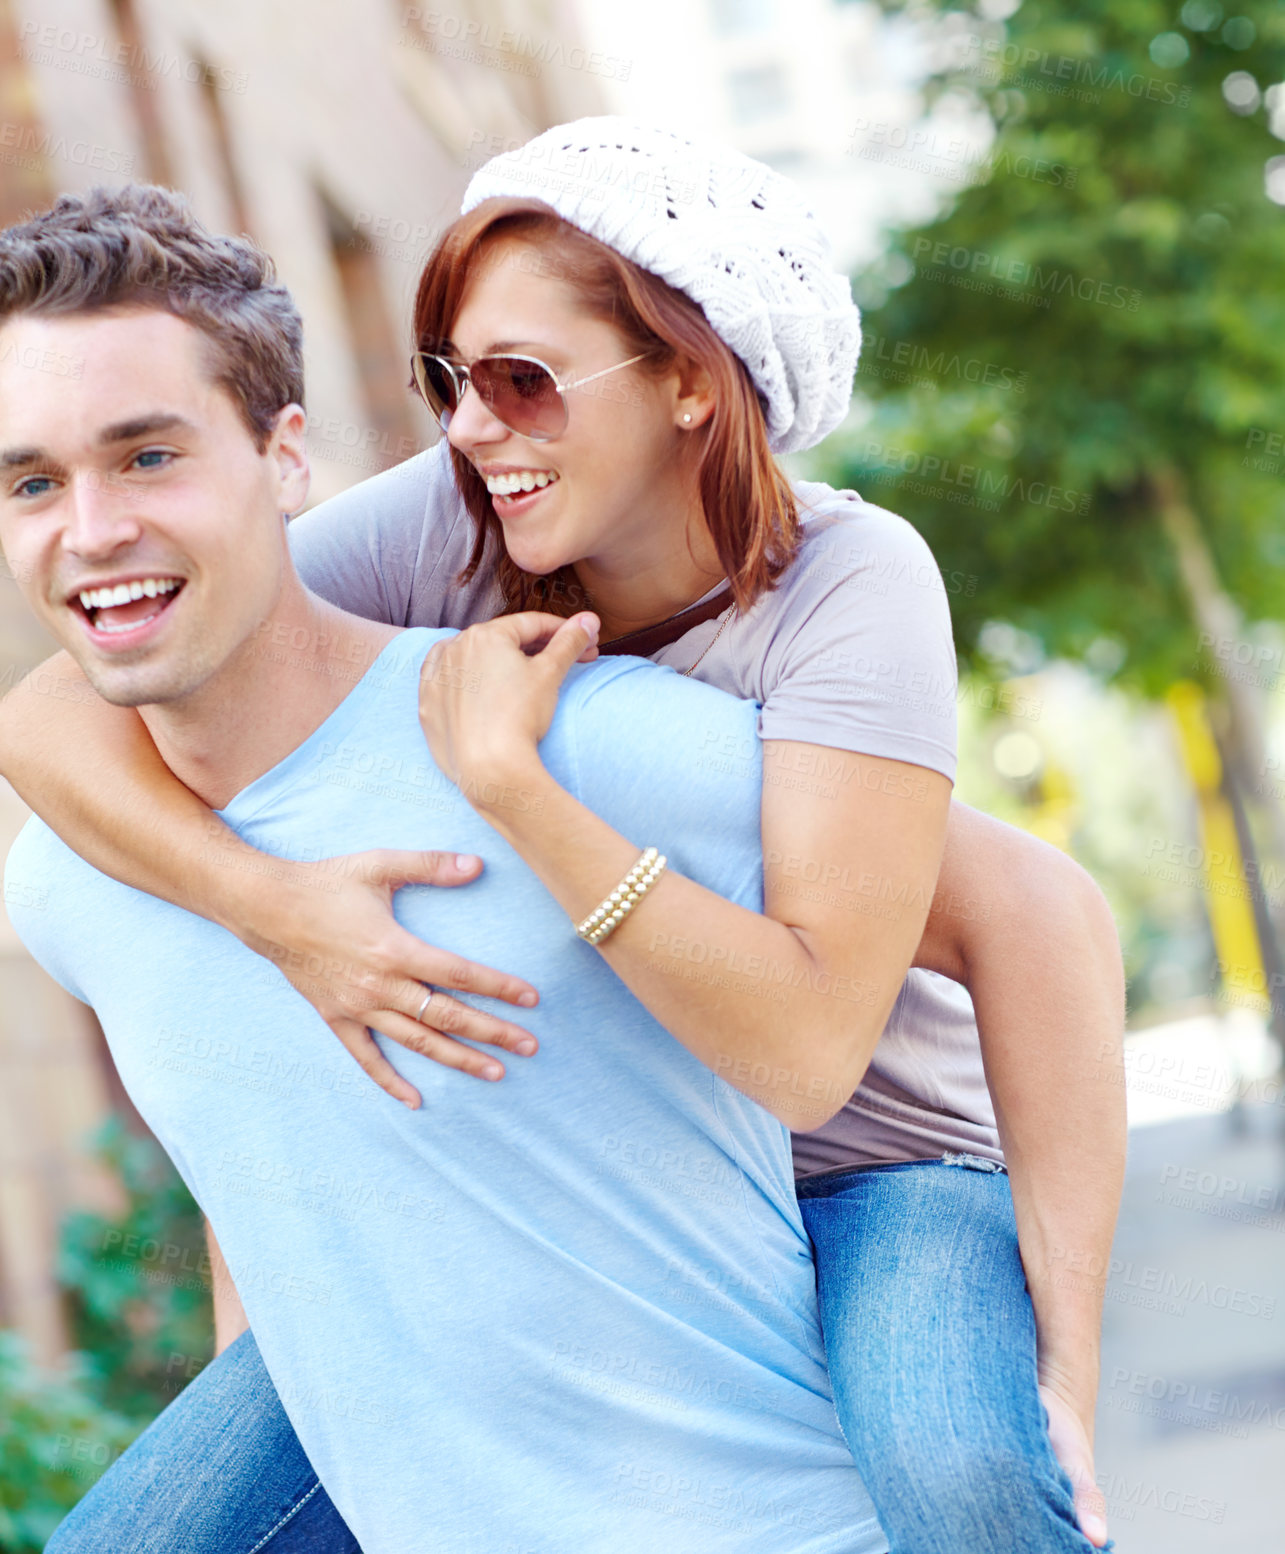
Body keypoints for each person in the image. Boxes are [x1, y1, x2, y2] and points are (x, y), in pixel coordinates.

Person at [0, 121, 1124, 1553]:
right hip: (608, 1161)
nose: (473, 427)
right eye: (450, 379)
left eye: (525, 383)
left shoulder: (843, 591)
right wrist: (282, 911)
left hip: (864, 1158)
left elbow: (1010, 935)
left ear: (688, 382)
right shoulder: (453, 527)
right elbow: (64, 698)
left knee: (963, 1469)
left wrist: (1063, 1371)